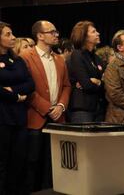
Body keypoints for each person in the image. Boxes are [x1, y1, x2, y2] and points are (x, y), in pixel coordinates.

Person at [20, 20, 71, 192]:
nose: (56, 35)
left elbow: (66, 86)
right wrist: (49, 108)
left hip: (58, 118)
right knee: (33, 162)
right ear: (40, 36)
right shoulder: (26, 57)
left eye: (56, 32)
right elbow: (27, 89)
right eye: (52, 32)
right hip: (36, 117)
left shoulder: (59, 59)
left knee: (54, 163)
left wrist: (61, 106)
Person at [0, 22, 35, 195]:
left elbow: (30, 84)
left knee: (18, 160)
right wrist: (15, 97)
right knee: (2, 162)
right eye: (8, 34)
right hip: (2, 118)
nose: (13, 37)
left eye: (12, 34)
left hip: (19, 118)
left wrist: (13, 90)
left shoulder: (17, 59)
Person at [68, 21, 105, 123]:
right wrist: (98, 83)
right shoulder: (77, 55)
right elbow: (87, 85)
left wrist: (98, 82)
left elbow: (106, 83)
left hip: (98, 108)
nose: (98, 33)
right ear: (84, 37)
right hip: (82, 110)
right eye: (93, 32)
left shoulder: (97, 58)